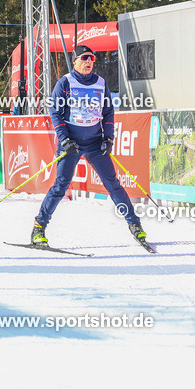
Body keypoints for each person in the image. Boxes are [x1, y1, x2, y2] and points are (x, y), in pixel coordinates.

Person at [31, 45, 147, 247]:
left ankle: (135, 225)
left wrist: (108, 138)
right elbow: (55, 113)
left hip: (94, 143)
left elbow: (108, 112)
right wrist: (65, 139)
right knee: (60, 186)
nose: (88, 62)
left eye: (92, 58)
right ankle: (38, 228)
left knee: (113, 184)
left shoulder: (101, 83)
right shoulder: (65, 82)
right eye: (84, 58)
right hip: (71, 143)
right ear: (75, 61)